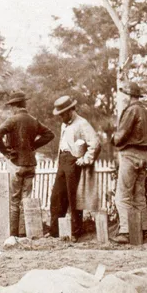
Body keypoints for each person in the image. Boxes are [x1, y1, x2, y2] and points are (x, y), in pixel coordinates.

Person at [0, 90, 54, 237]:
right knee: (27, 200)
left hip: (16, 164)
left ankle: (13, 236)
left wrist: (6, 152)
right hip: (31, 164)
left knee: (14, 201)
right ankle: (26, 233)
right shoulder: (33, 120)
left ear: (14, 106)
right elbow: (50, 134)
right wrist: (34, 146)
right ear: (24, 104)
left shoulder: (12, 120)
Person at [49, 95, 100, 239]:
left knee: (74, 198)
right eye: (60, 114)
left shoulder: (82, 123)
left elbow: (95, 143)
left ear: (71, 110)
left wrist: (85, 159)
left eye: (63, 114)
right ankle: (55, 232)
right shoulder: (64, 124)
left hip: (74, 161)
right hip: (63, 160)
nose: (61, 117)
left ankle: (75, 232)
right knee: (57, 196)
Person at [111, 81, 147, 244]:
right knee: (139, 195)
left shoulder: (131, 110)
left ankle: (126, 232)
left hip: (130, 154)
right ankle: (143, 230)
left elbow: (120, 136)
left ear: (129, 96)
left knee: (122, 196)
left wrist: (112, 139)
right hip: (144, 155)